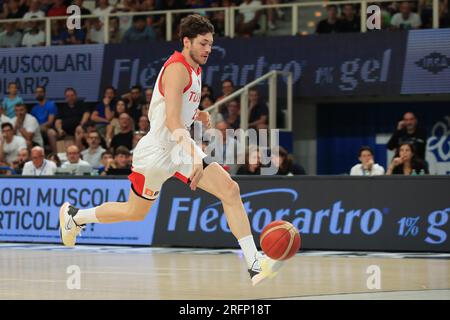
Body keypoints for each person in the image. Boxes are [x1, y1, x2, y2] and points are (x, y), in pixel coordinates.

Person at [58, 14, 282, 287]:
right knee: (134, 212)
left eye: (210, 44)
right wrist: (192, 153)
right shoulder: (177, 68)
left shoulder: (195, 68)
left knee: (230, 190)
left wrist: (197, 114)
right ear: (186, 42)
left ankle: (254, 264)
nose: (208, 49)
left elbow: (175, 107)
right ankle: (76, 217)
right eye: (202, 43)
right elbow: (172, 121)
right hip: (157, 152)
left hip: (176, 149)